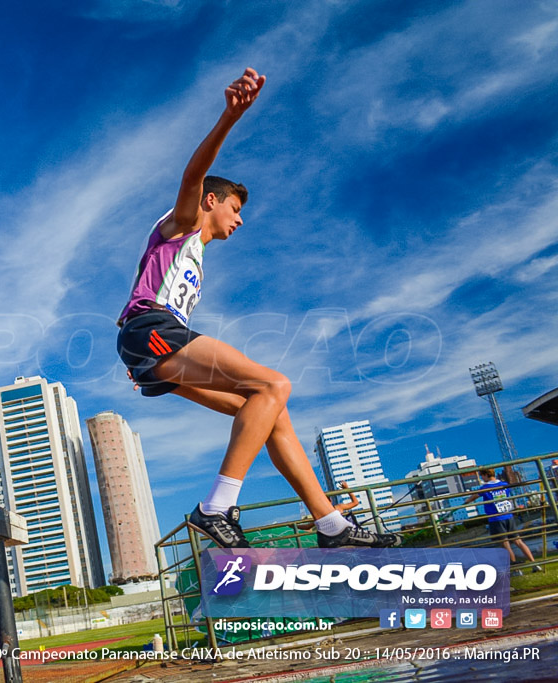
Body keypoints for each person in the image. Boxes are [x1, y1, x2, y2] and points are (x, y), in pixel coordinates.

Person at [115, 66, 398, 550]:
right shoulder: (182, 224)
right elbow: (191, 175)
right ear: (211, 201)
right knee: (274, 383)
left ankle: (330, 524)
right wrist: (229, 117)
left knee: (268, 409)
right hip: (150, 330)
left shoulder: (195, 254)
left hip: (157, 347)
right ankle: (215, 507)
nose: (240, 220)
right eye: (235, 209)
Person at [464, 468, 542, 573]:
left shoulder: (485, 488)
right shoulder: (504, 485)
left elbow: (472, 497)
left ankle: (516, 570)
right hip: (508, 516)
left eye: (482, 476)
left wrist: (466, 502)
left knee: (505, 544)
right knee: (518, 541)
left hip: (496, 518)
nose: (482, 478)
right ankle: (534, 564)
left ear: (486, 475)